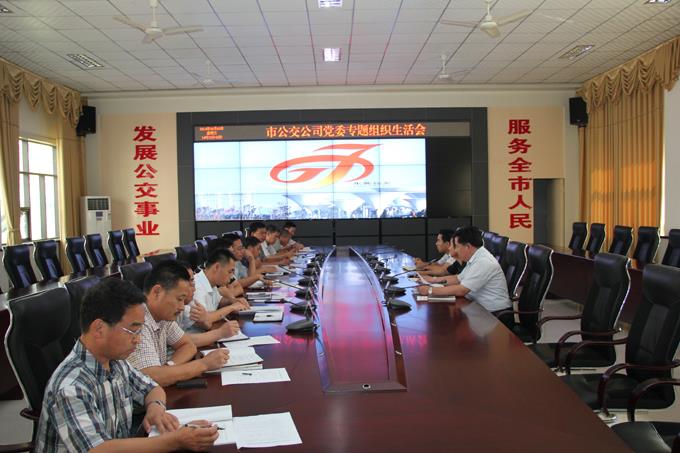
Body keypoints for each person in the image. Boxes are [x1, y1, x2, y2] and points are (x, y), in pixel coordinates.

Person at [35, 279, 218, 452]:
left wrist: (155, 407)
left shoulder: (116, 362)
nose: (137, 339)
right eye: (133, 330)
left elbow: (152, 388)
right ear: (99, 328)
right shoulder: (71, 386)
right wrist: (176, 440)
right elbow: (98, 449)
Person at [127, 261, 230, 387]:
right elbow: (151, 377)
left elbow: (188, 345)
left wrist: (168, 368)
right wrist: (203, 364)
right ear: (156, 292)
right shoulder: (137, 322)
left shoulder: (163, 316)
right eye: (179, 299)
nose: (182, 307)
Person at [417, 226, 512, 323]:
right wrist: (432, 280)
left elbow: (462, 290)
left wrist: (430, 290)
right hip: (479, 308)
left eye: (457, 246)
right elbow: (458, 278)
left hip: (495, 315)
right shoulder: (476, 256)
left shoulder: (483, 262)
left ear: (468, 247)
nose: (455, 250)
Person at [180, 249, 248, 335]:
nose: (231, 277)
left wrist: (233, 301)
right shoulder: (196, 287)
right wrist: (232, 307)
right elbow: (205, 319)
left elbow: (218, 302)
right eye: (230, 272)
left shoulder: (212, 283)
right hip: (196, 336)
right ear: (216, 267)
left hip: (207, 333)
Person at [177, 261, 241, 347]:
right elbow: (183, 341)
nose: (194, 288)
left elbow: (206, 323)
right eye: (229, 271)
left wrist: (232, 301)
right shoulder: (174, 309)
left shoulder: (183, 306)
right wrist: (220, 333)